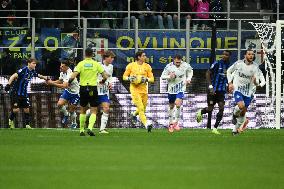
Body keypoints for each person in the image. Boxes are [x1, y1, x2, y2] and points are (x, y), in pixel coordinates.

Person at [68, 48, 109, 136]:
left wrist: (69, 82)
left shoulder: (81, 64)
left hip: (83, 88)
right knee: (94, 110)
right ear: (92, 54)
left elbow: (73, 76)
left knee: (82, 109)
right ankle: (90, 128)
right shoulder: (96, 64)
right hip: (92, 88)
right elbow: (105, 75)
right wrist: (103, 81)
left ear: (85, 54)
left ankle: (81, 130)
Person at [227, 49, 265, 135]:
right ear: (245, 55)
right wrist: (230, 83)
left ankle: (235, 131)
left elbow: (257, 82)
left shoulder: (255, 67)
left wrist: (255, 82)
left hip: (248, 92)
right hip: (238, 89)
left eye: (252, 54)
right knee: (241, 105)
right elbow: (229, 71)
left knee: (243, 112)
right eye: (249, 54)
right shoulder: (238, 64)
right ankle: (234, 114)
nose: (251, 56)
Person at [4, 58, 48, 129]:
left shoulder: (32, 71)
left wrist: (45, 77)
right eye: (33, 63)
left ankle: (27, 125)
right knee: (16, 109)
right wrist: (8, 85)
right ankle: (11, 120)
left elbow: (38, 75)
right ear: (29, 63)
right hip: (16, 92)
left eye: (35, 63)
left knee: (26, 109)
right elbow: (13, 76)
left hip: (24, 93)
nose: (35, 65)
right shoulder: (23, 70)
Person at [196, 50, 231, 134]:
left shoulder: (230, 66)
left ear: (229, 56)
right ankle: (200, 112)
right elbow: (208, 73)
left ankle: (215, 128)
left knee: (221, 107)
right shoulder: (217, 63)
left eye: (226, 55)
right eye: (223, 54)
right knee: (210, 108)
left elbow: (230, 77)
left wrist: (229, 85)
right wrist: (210, 86)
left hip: (222, 90)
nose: (224, 56)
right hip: (213, 89)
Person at [123, 50, 154, 132]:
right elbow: (124, 76)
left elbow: (152, 79)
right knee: (140, 108)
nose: (145, 57)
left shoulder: (147, 66)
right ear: (139, 57)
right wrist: (129, 78)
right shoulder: (131, 66)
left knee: (143, 109)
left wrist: (146, 79)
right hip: (134, 90)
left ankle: (133, 114)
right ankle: (147, 125)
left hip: (144, 90)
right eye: (143, 56)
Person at [161, 54, 193, 133]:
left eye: (179, 62)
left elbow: (190, 71)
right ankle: (170, 123)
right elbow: (162, 76)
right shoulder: (168, 66)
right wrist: (169, 76)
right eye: (177, 62)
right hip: (171, 89)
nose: (178, 63)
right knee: (171, 106)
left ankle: (176, 123)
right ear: (173, 60)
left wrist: (189, 78)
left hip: (181, 88)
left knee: (178, 104)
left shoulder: (186, 65)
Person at [46, 59, 80, 128]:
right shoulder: (62, 72)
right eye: (60, 66)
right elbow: (60, 80)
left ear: (67, 67)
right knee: (59, 104)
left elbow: (64, 85)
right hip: (68, 91)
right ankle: (66, 114)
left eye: (62, 66)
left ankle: (74, 123)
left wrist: (51, 83)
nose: (60, 67)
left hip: (75, 93)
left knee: (71, 110)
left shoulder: (70, 74)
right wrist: (51, 82)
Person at [96, 50, 116, 133]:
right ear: (106, 58)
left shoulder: (111, 67)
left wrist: (110, 83)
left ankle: (102, 129)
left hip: (104, 91)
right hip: (96, 90)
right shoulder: (98, 65)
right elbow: (93, 76)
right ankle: (85, 119)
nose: (112, 59)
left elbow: (110, 77)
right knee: (93, 109)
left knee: (106, 108)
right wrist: (99, 81)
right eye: (111, 58)